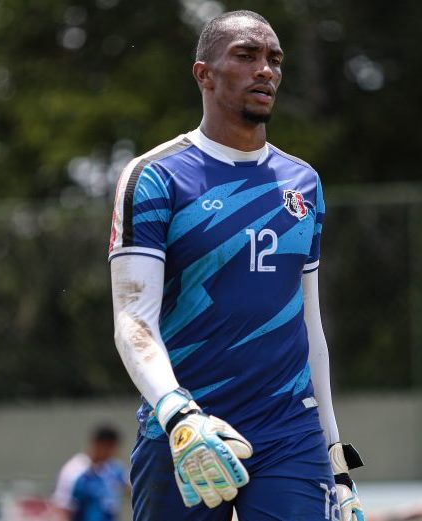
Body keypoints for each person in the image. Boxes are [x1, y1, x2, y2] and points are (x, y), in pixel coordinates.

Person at [108, 9, 364, 521]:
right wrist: (179, 416)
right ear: (204, 73)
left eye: (273, 59)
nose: (264, 70)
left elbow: (310, 327)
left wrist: (335, 460)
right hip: (181, 428)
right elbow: (133, 317)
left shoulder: (303, 183)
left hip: (288, 430)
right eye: (246, 57)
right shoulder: (155, 178)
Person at [52, 424, 129, 521]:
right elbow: (62, 508)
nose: (113, 452)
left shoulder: (115, 469)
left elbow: (131, 488)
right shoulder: (74, 470)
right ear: (97, 444)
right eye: (110, 447)